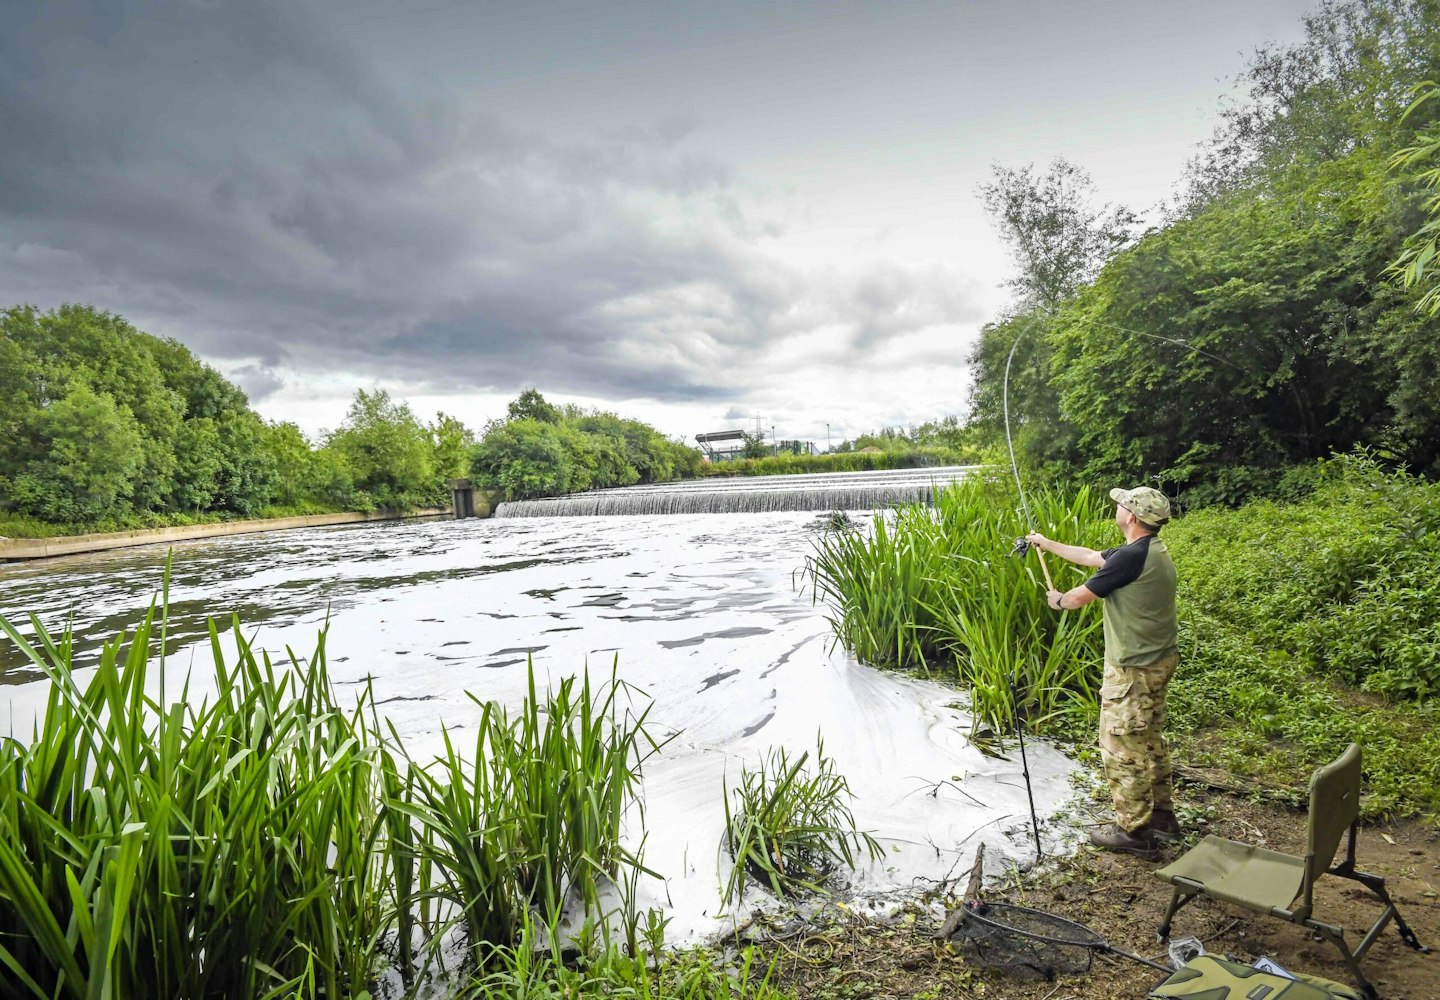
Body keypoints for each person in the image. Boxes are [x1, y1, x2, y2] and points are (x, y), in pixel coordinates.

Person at [1025, 486, 1179, 860]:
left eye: (1122, 504)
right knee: (1150, 739)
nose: (1118, 507)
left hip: (1134, 669)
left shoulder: (1130, 557)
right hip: (1158, 660)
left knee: (1121, 746)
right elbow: (1092, 557)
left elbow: (1078, 599)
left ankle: (1134, 831)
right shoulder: (1148, 552)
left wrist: (1059, 600)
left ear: (1131, 516)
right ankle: (1161, 816)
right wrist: (1046, 543)